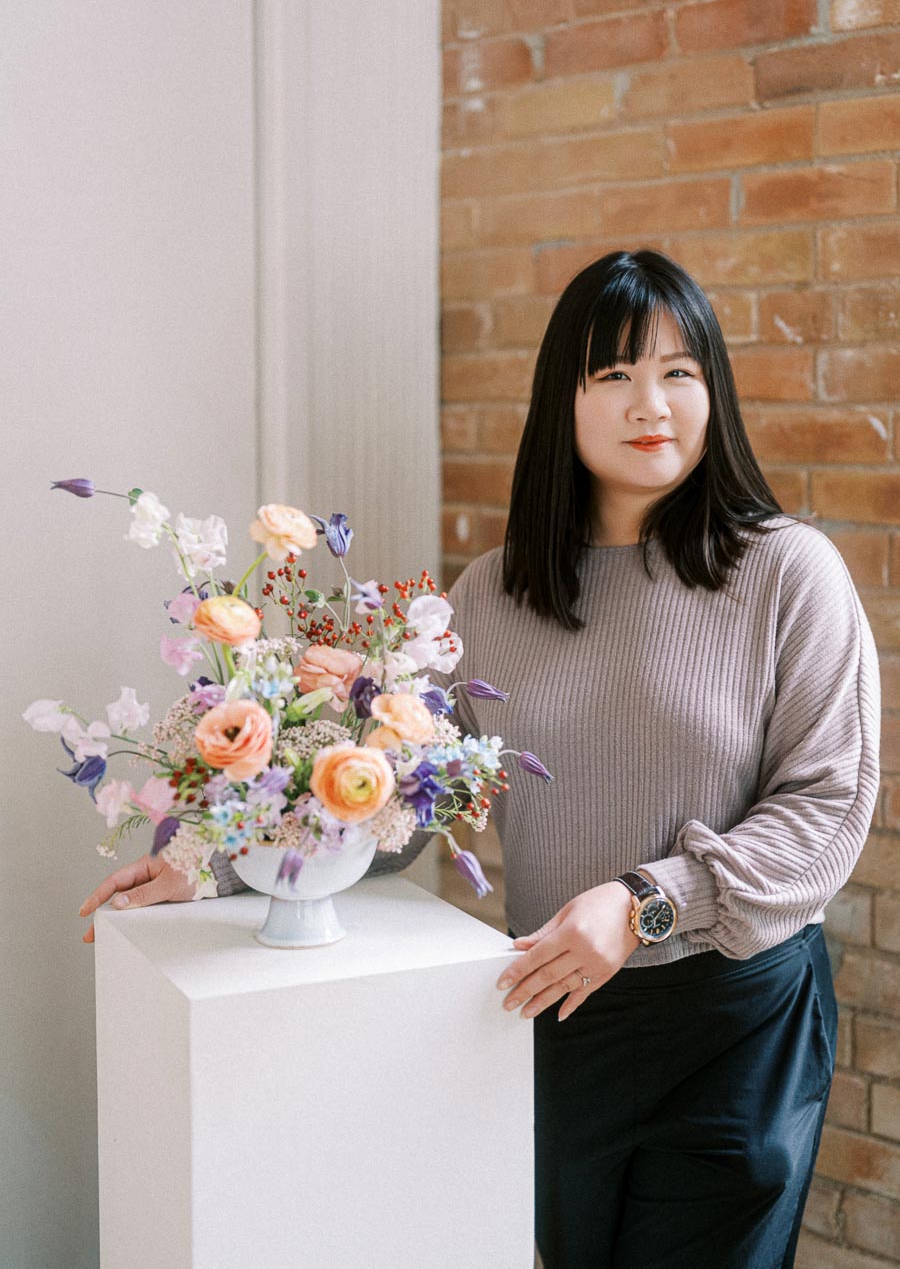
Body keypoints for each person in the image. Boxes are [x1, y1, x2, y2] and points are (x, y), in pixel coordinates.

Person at [80, 248, 881, 1269]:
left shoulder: (788, 572)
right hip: (554, 1017)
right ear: (565, 398)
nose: (654, 403)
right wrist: (212, 864)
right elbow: (390, 805)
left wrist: (643, 903)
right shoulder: (492, 596)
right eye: (615, 374)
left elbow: (823, 813)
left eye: (682, 372)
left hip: (735, 1025)